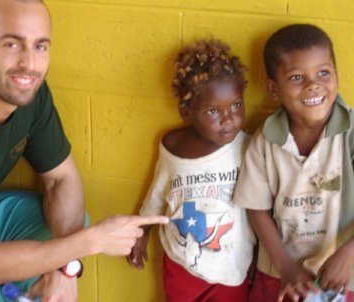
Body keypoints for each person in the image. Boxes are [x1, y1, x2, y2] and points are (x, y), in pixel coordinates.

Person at [0, 0, 168, 301]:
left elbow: (61, 179)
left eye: (40, 46)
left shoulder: (28, 91)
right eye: (12, 44)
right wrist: (90, 242)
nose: (29, 63)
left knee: (70, 218)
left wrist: (65, 267)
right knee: (74, 238)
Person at [126, 39, 256, 302]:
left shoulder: (249, 147)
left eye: (236, 105)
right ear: (187, 112)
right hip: (182, 261)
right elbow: (157, 195)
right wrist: (142, 232)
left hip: (231, 265)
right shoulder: (173, 147)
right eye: (212, 111)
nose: (228, 118)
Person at [233, 23, 354, 302]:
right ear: (274, 89)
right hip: (280, 273)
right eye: (297, 77)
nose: (313, 85)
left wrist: (349, 254)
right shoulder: (265, 141)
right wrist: (286, 266)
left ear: (336, 75)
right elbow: (257, 209)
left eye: (323, 72)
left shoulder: (351, 133)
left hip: (342, 275)